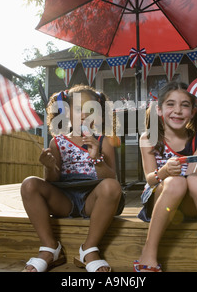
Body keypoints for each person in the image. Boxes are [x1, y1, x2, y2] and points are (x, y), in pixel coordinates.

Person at [134, 81, 197, 272]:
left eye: (185, 105)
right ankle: (149, 250)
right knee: (175, 183)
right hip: (160, 200)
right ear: (159, 110)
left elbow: (194, 176)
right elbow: (149, 179)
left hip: (188, 205)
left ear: (193, 112)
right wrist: (163, 172)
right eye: (171, 104)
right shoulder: (149, 137)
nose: (178, 110)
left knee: (196, 180)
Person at [21, 84, 124, 272]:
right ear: (66, 113)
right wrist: (50, 166)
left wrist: (97, 159)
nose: (84, 115)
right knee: (29, 184)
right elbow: (52, 181)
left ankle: (89, 249)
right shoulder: (57, 141)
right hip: (64, 199)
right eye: (78, 109)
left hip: (92, 199)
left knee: (111, 187)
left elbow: (111, 179)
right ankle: (50, 247)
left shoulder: (104, 140)